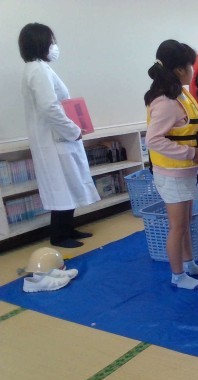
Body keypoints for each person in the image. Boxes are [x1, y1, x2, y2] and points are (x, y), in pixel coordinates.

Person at [18, 23, 100, 249]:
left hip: (58, 138)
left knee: (69, 184)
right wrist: (73, 130)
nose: (54, 46)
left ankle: (67, 229)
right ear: (40, 43)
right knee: (61, 187)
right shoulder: (37, 70)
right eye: (51, 41)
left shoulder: (39, 68)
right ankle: (59, 236)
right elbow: (50, 108)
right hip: (54, 140)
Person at [144, 40, 198, 290]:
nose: (193, 70)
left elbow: (195, 131)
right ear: (179, 69)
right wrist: (190, 152)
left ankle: (189, 263)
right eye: (190, 65)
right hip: (171, 174)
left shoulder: (182, 95)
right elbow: (153, 140)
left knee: (187, 222)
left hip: (185, 172)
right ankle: (177, 275)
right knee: (178, 226)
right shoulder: (165, 101)